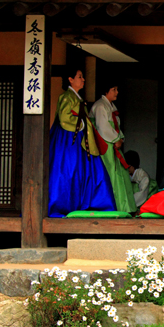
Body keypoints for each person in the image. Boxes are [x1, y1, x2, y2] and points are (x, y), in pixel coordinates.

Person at [48, 67, 116, 217]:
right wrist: (82, 124)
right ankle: (64, 204)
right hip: (69, 139)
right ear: (70, 80)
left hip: (77, 137)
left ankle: (85, 202)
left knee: (81, 170)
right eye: (79, 77)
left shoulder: (75, 97)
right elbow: (65, 119)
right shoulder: (66, 97)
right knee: (68, 170)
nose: (83, 79)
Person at [90, 81, 136, 213]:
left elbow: (114, 126)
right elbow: (102, 127)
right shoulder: (100, 106)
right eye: (114, 89)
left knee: (118, 174)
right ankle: (110, 205)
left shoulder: (110, 105)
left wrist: (120, 138)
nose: (116, 92)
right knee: (109, 173)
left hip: (112, 144)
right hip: (105, 145)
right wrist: (116, 139)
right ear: (106, 91)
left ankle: (122, 206)